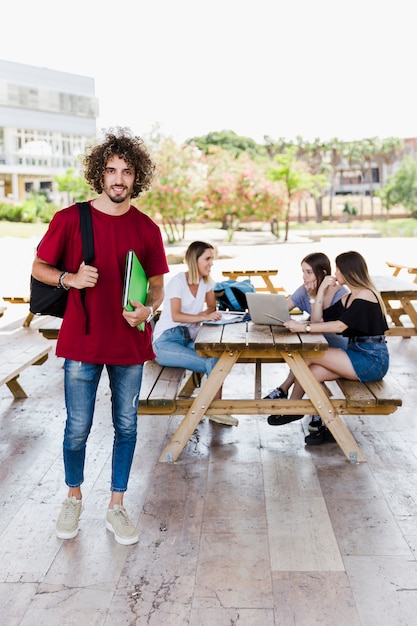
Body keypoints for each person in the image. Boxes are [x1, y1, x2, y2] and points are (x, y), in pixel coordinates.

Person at [31, 128, 169, 545]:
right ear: (100, 174)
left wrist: (149, 310)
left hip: (129, 343)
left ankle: (117, 505)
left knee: (126, 426)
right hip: (83, 342)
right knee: (77, 426)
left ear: (136, 177)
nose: (119, 179)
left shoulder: (146, 228)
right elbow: (39, 268)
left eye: (127, 171)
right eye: (111, 170)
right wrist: (70, 278)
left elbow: (158, 283)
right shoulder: (70, 219)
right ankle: (73, 497)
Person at [269, 250, 389, 445]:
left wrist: (303, 326)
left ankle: (294, 406)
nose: (336, 275)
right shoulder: (349, 297)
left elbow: (339, 326)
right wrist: (321, 292)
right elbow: (319, 320)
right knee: (313, 373)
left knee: (307, 356)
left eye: (339, 270)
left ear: (349, 272)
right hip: (356, 354)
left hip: (372, 360)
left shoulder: (366, 295)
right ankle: (330, 426)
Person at [153, 240, 238, 426]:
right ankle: (214, 408)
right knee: (212, 364)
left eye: (212, 259)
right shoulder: (178, 281)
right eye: (207, 259)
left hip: (187, 336)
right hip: (165, 341)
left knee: (217, 357)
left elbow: (211, 309)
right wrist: (200, 316)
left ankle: (213, 407)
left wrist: (204, 314)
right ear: (194, 260)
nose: (211, 263)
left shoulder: (207, 283)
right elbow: (176, 316)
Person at [265, 252, 348, 431]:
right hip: (318, 347)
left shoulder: (341, 294)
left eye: (309, 272)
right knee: (307, 364)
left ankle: (286, 391)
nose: (304, 277)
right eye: (303, 272)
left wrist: (314, 296)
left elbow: (319, 324)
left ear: (323, 273)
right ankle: (313, 412)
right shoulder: (304, 289)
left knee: (305, 358)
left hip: (340, 348)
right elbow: (282, 309)